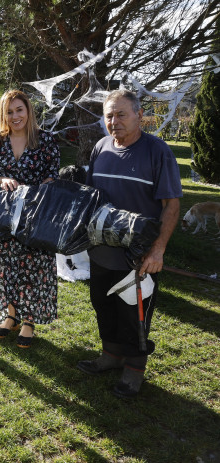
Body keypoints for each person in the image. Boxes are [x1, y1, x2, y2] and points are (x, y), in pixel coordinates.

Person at [78, 89, 181, 397]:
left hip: (138, 256)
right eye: (109, 115)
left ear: (139, 115)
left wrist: (158, 249)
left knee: (133, 313)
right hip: (101, 249)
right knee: (103, 304)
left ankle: (134, 370)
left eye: (121, 114)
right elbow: (91, 196)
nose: (114, 121)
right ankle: (110, 355)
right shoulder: (101, 148)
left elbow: (171, 206)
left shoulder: (157, 152)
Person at [0, 89, 60, 347]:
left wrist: (36, 192)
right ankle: (11, 316)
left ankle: (28, 322)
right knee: (5, 265)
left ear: (28, 110)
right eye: (9, 111)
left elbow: (53, 174)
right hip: (4, 214)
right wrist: (2, 179)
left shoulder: (46, 139)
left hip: (34, 213)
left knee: (33, 266)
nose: (15, 115)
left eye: (19, 109)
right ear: (3, 115)